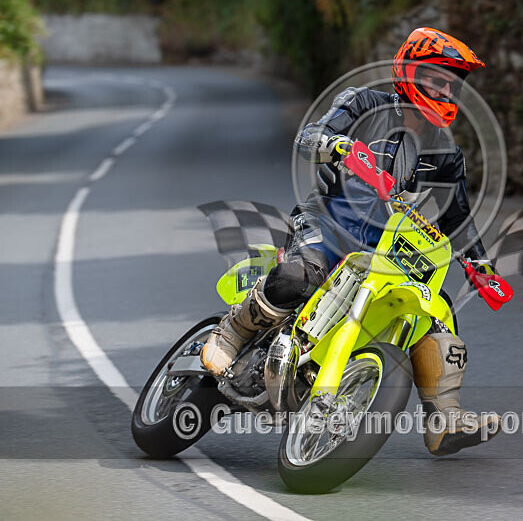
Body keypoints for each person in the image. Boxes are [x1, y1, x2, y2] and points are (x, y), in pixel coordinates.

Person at [201, 27, 499, 455]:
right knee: (301, 273)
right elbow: (309, 137)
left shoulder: (445, 153)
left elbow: (459, 219)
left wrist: (480, 265)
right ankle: (233, 331)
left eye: (453, 83)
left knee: (439, 312)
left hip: (386, 248)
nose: (447, 90)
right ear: (411, 71)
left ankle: (444, 419)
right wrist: (337, 144)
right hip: (329, 222)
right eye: (439, 78)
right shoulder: (364, 104)